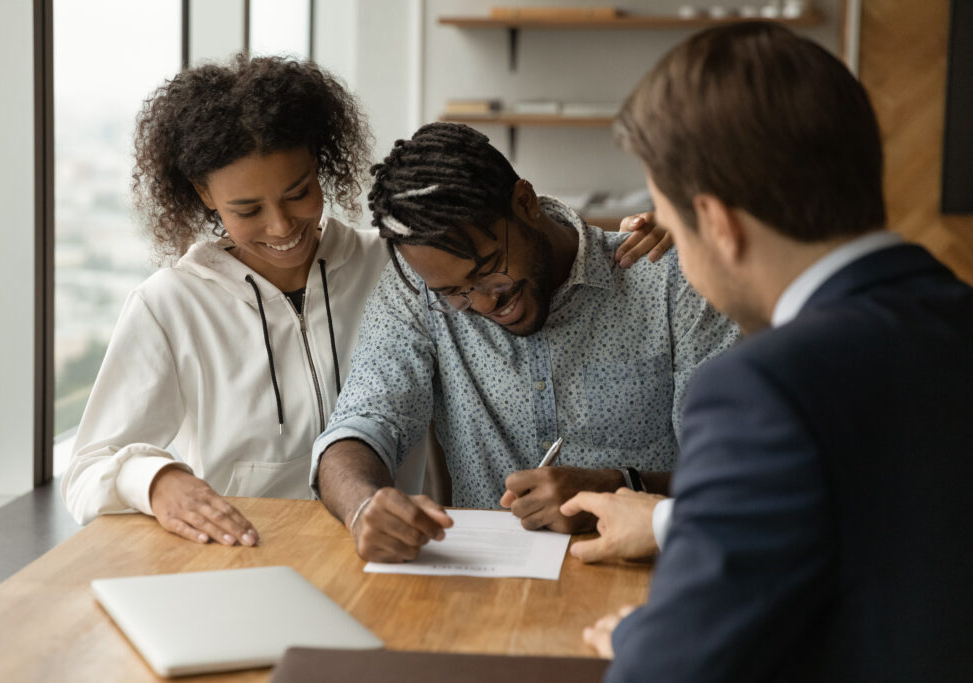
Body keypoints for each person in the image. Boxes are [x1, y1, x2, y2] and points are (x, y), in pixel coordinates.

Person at [576, 23, 973, 681]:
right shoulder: (952, 319)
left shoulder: (761, 389)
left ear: (720, 225)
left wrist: (642, 638)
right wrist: (678, 518)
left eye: (671, 227)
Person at [310, 122, 740, 562]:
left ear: (525, 202)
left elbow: (736, 471)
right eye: (454, 292)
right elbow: (360, 425)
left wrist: (621, 487)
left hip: (653, 575)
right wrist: (363, 506)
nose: (481, 302)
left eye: (489, 270)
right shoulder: (416, 295)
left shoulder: (668, 281)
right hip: (485, 586)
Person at [60, 55, 394, 545]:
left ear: (319, 164)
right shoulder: (169, 305)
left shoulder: (389, 267)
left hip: (389, 556)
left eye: (298, 193)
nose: (281, 226)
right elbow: (86, 471)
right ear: (204, 194)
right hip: (245, 559)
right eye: (248, 209)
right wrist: (156, 481)